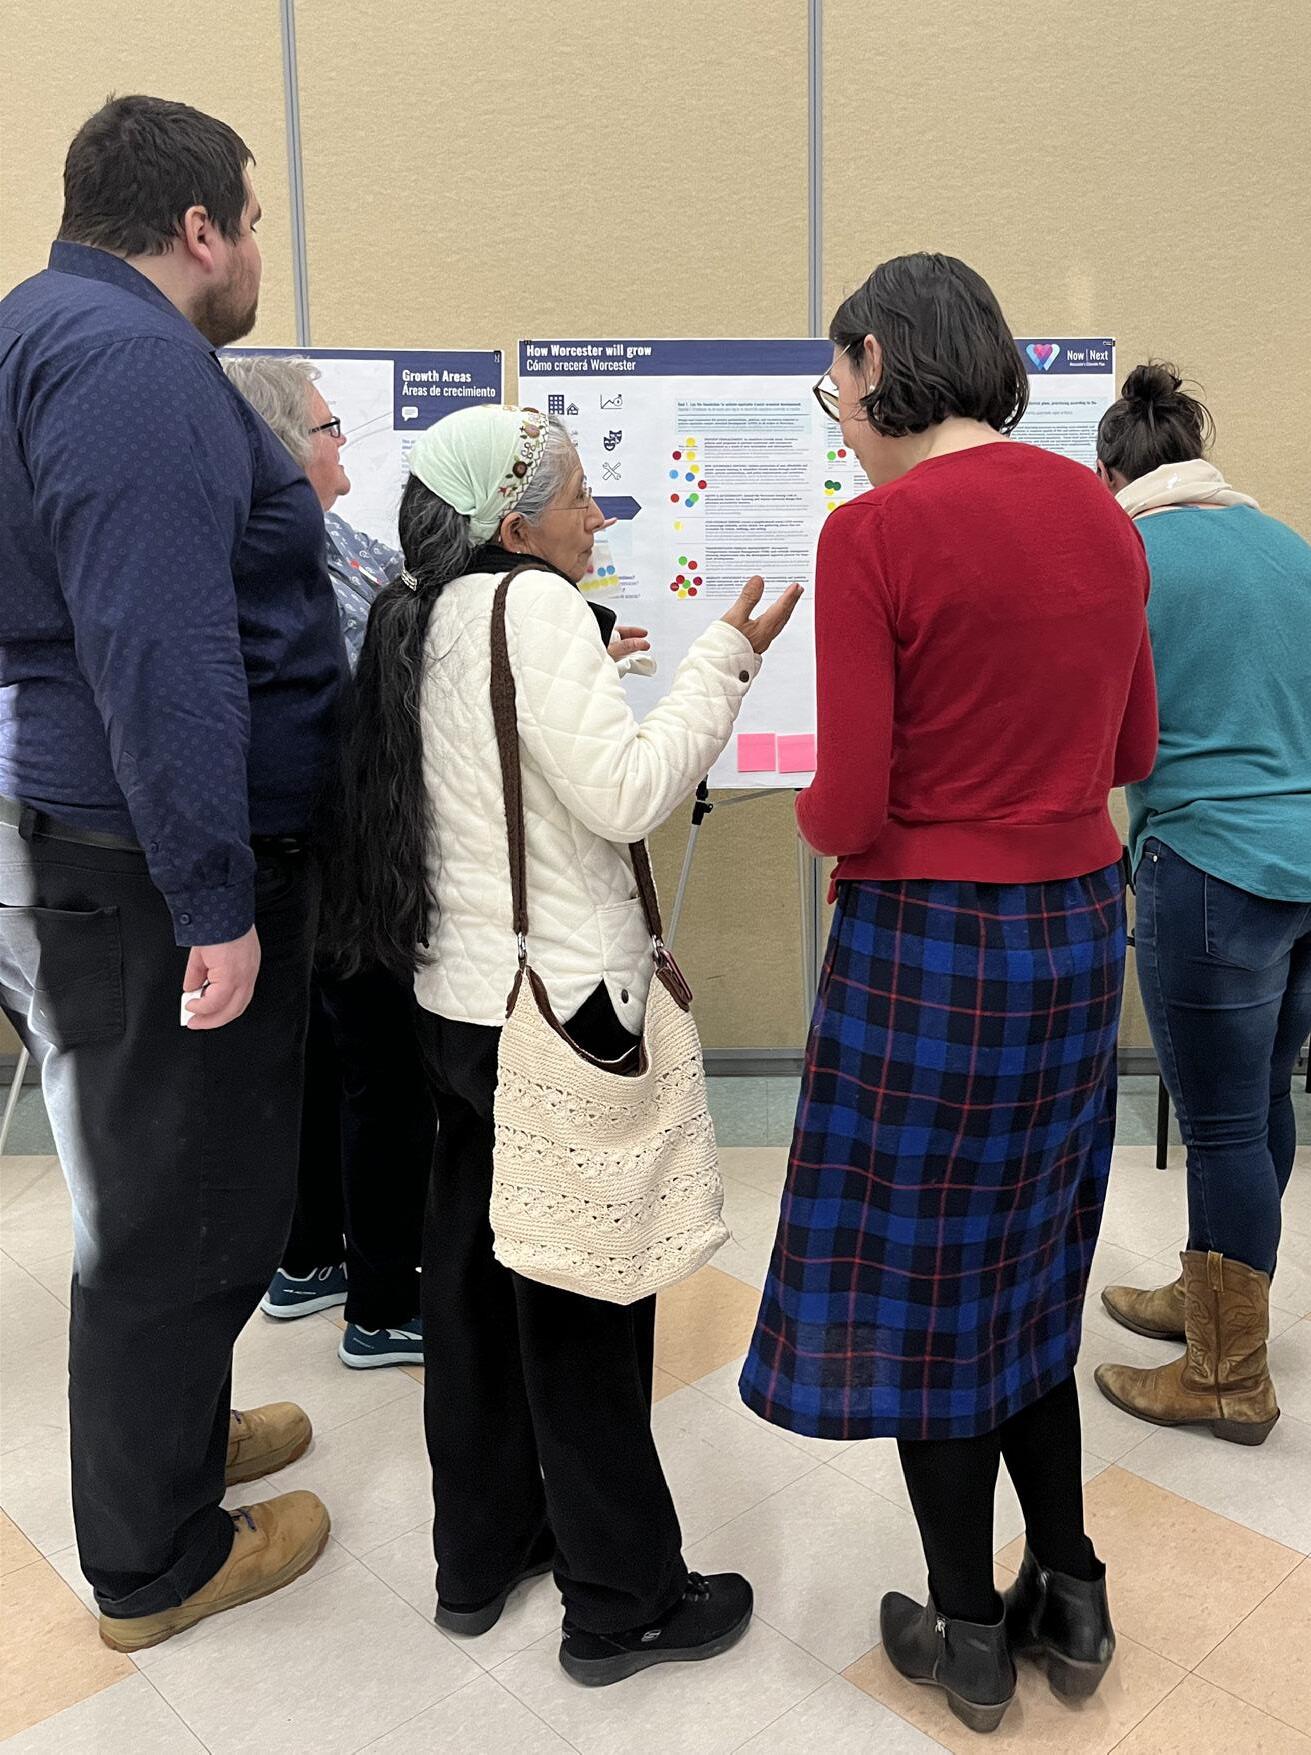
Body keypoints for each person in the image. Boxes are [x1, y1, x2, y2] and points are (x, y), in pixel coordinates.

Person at [738, 254, 1158, 1733]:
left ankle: (968, 1629)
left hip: (927, 948)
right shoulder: (1099, 514)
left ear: (875, 359)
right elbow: (1131, 749)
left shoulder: (873, 534)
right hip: (1073, 935)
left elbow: (847, 805)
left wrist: (819, 818)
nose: (841, 419)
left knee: (930, 1297)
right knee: (1029, 1268)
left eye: (835, 388)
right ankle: (1075, 1587)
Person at [328, 402, 800, 1685]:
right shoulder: (532, 607)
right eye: (581, 497)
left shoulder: (424, 612)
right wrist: (720, 665)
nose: (600, 516)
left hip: (459, 1005)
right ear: (515, 522)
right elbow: (628, 795)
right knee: (586, 1298)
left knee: (475, 1286)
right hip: (561, 1006)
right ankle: (622, 1601)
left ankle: (481, 1557)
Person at [0, 96, 343, 1652]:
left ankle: (182, 1437)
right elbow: (161, 646)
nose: (258, 249)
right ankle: (157, 1558)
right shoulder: (128, 360)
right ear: (198, 228)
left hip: (102, 837)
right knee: (172, 1206)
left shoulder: (46, 328)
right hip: (149, 864)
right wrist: (214, 898)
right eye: (253, 222)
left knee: (178, 1185)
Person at [1093, 365, 1311, 1446]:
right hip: (1304, 867)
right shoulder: (1287, 547)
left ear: (1114, 474)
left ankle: (1227, 1377)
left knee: (1219, 1124)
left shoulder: (1127, 556)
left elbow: (1103, 726)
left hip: (1211, 864)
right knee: (1260, 1100)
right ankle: (1210, 1297)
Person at [223, 353, 432, 1367]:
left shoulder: (329, 539)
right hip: (336, 844)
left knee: (326, 1058)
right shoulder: (276, 560)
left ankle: (309, 1258)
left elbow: (414, 605)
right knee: (376, 1071)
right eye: (326, 426)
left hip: (322, 845)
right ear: (281, 450)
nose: (343, 439)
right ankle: (383, 1304)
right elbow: (398, 658)